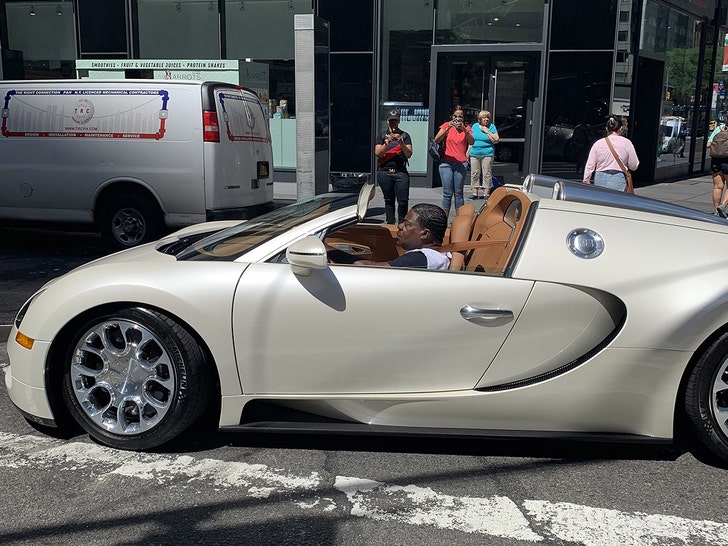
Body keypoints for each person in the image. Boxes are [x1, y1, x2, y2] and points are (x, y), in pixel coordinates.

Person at [328, 203, 451, 270]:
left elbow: (366, 269)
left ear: (424, 234)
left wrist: (327, 252)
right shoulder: (437, 256)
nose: (399, 226)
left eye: (407, 225)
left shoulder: (420, 259)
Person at [433, 106, 474, 217]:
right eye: (456, 116)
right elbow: (436, 140)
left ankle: (460, 220)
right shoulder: (446, 125)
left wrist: (465, 130)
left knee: (459, 193)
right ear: (452, 116)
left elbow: (472, 141)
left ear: (463, 118)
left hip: (461, 163)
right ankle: (444, 221)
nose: (458, 118)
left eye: (460, 116)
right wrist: (447, 128)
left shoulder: (467, 128)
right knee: (447, 194)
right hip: (446, 163)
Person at [374, 108, 413, 225]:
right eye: (391, 120)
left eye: (395, 120)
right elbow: (378, 153)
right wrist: (388, 142)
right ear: (387, 121)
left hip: (400, 172)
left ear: (399, 121)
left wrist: (401, 142)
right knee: (389, 200)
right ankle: (390, 223)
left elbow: (409, 154)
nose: (393, 122)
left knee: (403, 201)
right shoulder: (381, 136)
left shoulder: (405, 136)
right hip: (385, 172)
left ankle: (402, 224)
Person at [582, 115, 639, 191]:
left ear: (607, 129)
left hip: (599, 178)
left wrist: (586, 181)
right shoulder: (627, 143)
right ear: (621, 128)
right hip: (618, 178)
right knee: (616, 201)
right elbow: (634, 165)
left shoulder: (598, 144)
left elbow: (589, 166)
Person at [468, 109, 499, 200]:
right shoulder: (474, 126)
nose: (486, 119)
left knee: (487, 173)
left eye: (487, 118)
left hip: (487, 153)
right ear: (480, 119)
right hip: (475, 153)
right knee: (475, 173)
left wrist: (487, 131)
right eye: (484, 118)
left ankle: (486, 193)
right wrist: (468, 151)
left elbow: (496, 139)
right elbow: (471, 139)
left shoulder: (491, 127)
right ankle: (474, 193)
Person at [707, 119, 728, 216]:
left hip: (715, 160)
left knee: (717, 187)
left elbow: (708, 145)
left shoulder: (719, 129)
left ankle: (716, 211)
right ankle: (722, 206)